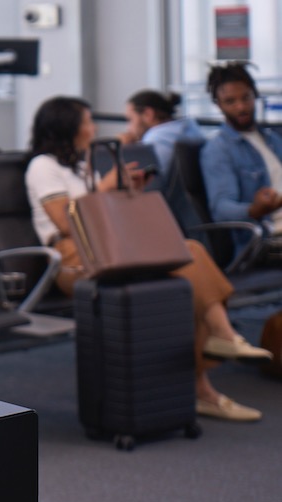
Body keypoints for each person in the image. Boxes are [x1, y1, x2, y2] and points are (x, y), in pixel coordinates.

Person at [25, 95, 270, 422]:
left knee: (190, 254)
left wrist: (127, 190)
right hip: (72, 259)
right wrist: (108, 185)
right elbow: (65, 222)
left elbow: (101, 214)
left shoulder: (81, 167)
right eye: (87, 121)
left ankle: (215, 355)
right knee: (187, 263)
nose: (93, 127)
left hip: (106, 248)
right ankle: (218, 349)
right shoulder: (43, 166)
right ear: (67, 128)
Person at [199, 62, 282, 240]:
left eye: (246, 98)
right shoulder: (218, 150)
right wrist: (255, 209)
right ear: (218, 105)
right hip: (269, 240)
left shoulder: (272, 139)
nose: (241, 107)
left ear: (255, 95)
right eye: (230, 101)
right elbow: (221, 209)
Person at [120, 89, 202, 185]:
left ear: (148, 114)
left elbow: (138, 183)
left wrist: (123, 150)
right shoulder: (191, 131)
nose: (128, 128)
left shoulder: (153, 142)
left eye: (130, 119)